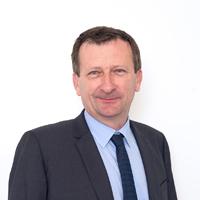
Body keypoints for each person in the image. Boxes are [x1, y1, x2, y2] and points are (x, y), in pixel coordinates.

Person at [8, 26, 177, 200]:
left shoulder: (156, 143)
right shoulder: (41, 147)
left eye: (119, 71)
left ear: (138, 79)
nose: (108, 86)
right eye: (95, 73)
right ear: (76, 83)